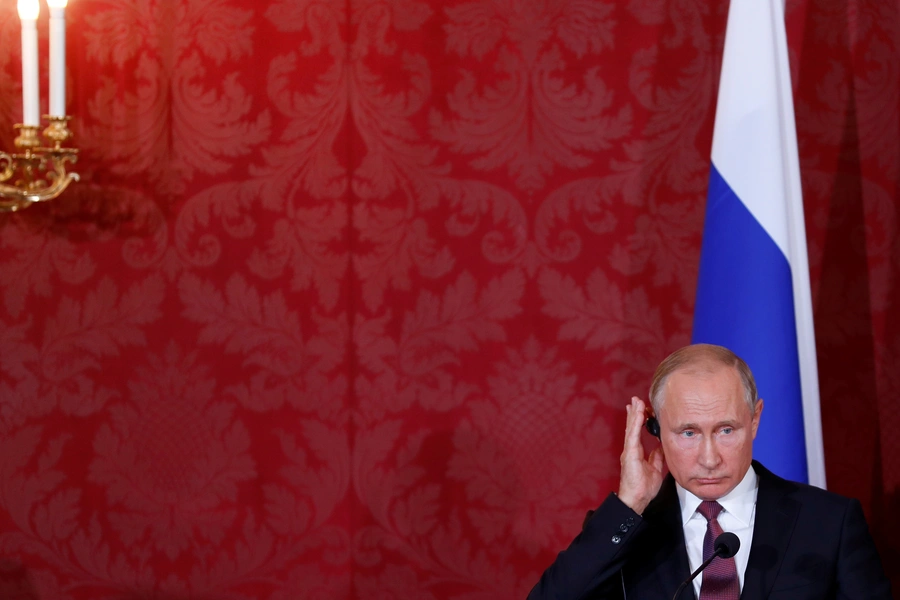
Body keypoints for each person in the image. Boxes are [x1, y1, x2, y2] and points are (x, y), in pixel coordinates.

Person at [527, 344, 892, 599]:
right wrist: (630, 502)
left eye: (726, 430)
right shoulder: (624, 531)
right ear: (655, 431)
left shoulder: (830, 522)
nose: (709, 457)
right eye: (688, 432)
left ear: (755, 419)